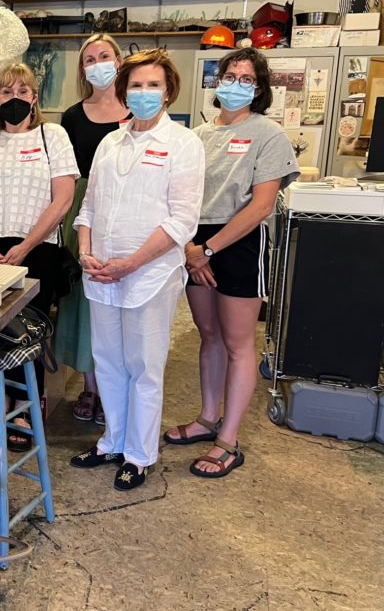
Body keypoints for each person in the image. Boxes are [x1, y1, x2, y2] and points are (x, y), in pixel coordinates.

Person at [69, 49, 204, 491]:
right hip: (103, 272)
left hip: (149, 274)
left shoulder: (183, 144)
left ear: (168, 92)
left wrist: (132, 262)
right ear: (124, 91)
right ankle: (112, 441)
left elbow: (182, 220)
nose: (143, 92)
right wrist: (86, 248)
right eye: (136, 85)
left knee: (144, 365)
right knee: (107, 361)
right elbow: (88, 205)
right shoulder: (111, 141)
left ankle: (139, 454)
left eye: (153, 85)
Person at [164, 47, 298, 478]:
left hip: (238, 243)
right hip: (194, 241)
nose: (236, 84)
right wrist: (190, 247)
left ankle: (229, 440)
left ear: (259, 90)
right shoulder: (199, 136)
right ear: (216, 81)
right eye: (230, 75)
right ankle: (207, 418)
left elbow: (260, 206)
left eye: (247, 79)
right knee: (209, 335)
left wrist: (209, 249)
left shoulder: (268, 135)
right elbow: (179, 195)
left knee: (239, 344)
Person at [0, 63, 79, 451]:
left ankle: (25, 406)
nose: (14, 99)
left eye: (22, 92)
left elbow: (62, 198)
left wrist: (27, 245)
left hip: (36, 250)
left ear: (34, 98)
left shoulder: (52, 135)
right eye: (6, 92)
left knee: (29, 331)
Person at [56, 35, 132, 427]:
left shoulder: (135, 109)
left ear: (118, 60)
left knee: (121, 299)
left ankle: (117, 384)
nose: (97, 63)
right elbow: (64, 174)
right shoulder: (71, 116)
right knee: (85, 302)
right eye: (89, 59)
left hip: (126, 209)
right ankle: (90, 386)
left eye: (104, 56)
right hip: (82, 211)